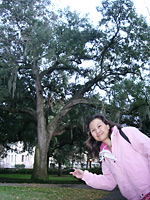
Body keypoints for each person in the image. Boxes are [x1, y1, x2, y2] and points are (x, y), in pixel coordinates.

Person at [70, 114, 150, 200]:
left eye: (99, 126)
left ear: (107, 126)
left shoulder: (127, 133)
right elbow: (109, 182)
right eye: (93, 130)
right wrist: (84, 176)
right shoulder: (105, 156)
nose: (97, 131)